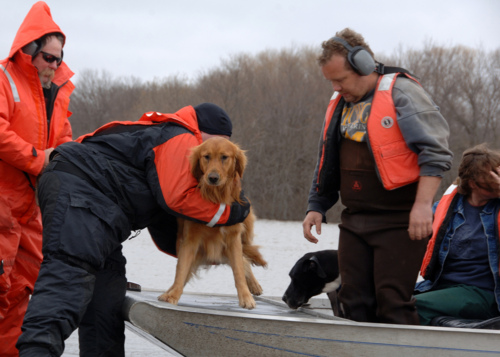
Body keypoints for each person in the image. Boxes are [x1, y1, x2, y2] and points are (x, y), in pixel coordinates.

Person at [16, 103, 251, 356]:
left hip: (102, 211)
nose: (215, 155)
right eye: (213, 144)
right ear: (200, 133)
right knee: (66, 281)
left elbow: (166, 220)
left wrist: (207, 252)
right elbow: (175, 199)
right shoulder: (180, 137)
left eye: (224, 148)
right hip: (81, 191)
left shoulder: (174, 146)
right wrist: (233, 212)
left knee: (106, 301)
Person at [302, 28, 453, 325]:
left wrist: (423, 206)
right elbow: (328, 160)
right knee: (352, 301)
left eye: (340, 79)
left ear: (363, 65)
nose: (335, 87)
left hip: (400, 221)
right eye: (330, 81)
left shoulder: (402, 93)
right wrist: (316, 204)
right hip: (355, 220)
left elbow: (436, 153)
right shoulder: (339, 103)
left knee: (392, 303)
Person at [0, 2, 74, 355]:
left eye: (59, 59)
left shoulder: (56, 95)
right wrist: (37, 160)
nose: (54, 66)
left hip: (33, 214)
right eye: (49, 58)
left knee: (23, 295)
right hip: (3, 207)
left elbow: (64, 143)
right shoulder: (3, 79)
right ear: (29, 51)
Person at [415, 144, 500, 326]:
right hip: (440, 286)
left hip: (483, 292)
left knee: (412, 307)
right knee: (389, 303)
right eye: (490, 182)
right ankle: (450, 324)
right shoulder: (447, 208)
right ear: (472, 183)